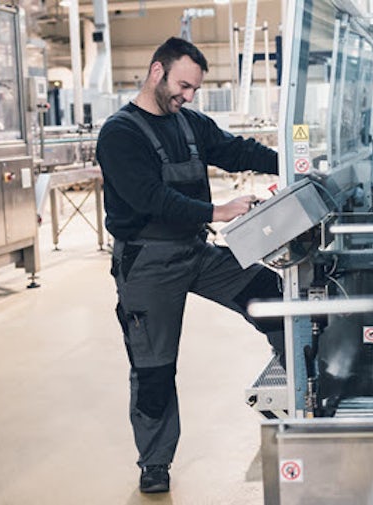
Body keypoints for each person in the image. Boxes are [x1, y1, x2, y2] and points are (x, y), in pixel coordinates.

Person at [96, 37, 284, 494]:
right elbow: (150, 198)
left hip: (195, 251)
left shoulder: (188, 123)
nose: (189, 96)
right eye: (183, 86)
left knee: (272, 295)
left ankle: (304, 383)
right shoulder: (120, 133)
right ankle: (155, 463)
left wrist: (297, 164)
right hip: (148, 262)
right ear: (156, 71)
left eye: (196, 89)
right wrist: (218, 210)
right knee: (154, 367)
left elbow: (236, 150)